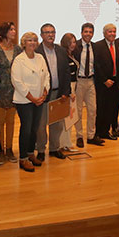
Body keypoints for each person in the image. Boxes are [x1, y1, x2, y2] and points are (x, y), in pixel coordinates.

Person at [11, 32, 49, 172]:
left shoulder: (40, 58)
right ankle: (22, 159)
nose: (32, 43)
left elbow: (47, 76)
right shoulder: (19, 60)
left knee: (34, 128)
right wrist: (32, 98)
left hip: (39, 99)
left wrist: (44, 93)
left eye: (34, 40)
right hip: (24, 100)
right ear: (24, 43)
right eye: (29, 40)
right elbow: (17, 82)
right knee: (26, 129)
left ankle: (30, 153)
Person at [34, 23, 72, 161]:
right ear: (41, 35)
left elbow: (66, 73)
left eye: (52, 32)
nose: (50, 34)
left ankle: (54, 148)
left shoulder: (61, 50)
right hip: (43, 94)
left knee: (57, 124)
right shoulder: (37, 51)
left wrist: (66, 92)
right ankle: (41, 150)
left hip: (59, 94)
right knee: (41, 125)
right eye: (47, 32)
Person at [0, 22, 22, 165]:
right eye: (11, 29)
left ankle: (9, 148)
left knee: (11, 121)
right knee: (0, 122)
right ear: (3, 32)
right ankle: (0, 150)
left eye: (14, 29)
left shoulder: (18, 50)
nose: (14, 32)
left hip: (15, 91)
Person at [72, 23, 104, 147]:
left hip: (91, 81)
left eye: (90, 32)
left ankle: (91, 135)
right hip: (79, 82)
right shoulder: (76, 47)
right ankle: (79, 136)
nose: (88, 34)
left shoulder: (95, 47)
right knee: (78, 111)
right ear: (81, 33)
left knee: (92, 110)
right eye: (86, 32)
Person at [93, 23, 119, 141]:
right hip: (103, 82)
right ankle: (98, 132)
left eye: (114, 32)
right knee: (101, 109)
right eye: (110, 32)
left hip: (115, 81)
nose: (112, 34)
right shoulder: (98, 45)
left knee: (112, 108)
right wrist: (104, 80)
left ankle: (106, 131)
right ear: (104, 33)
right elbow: (97, 65)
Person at [59, 33, 79, 150]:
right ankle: (62, 144)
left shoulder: (72, 55)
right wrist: (69, 92)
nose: (73, 45)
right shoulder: (63, 56)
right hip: (68, 88)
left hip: (74, 87)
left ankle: (67, 143)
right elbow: (65, 76)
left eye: (74, 42)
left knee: (70, 118)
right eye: (70, 42)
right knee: (64, 119)